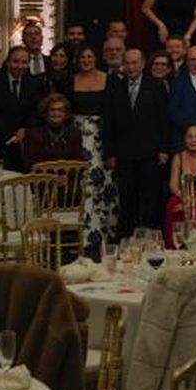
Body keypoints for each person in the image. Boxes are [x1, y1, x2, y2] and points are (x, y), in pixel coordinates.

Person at [104, 47, 171, 236]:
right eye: (128, 63)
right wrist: (109, 153)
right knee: (127, 199)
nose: (131, 67)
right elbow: (108, 121)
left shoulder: (156, 86)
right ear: (123, 65)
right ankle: (127, 241)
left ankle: (151, 240)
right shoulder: (114, 86)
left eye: (135, 63)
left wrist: (164, 150)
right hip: (124, 154)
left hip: (150, 153)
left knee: (150, 199)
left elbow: (164, 121)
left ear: (142, 64)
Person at [68, 45, 119, 250]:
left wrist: (112, 149)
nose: (86, 60)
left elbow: (115, 114)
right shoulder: (70, 80)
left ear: (96, 59)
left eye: (90, 56)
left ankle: (106, 235)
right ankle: (86, 236)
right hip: (78, 138)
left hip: (102, 138)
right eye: (83, 57)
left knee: (104, 185)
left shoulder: (109, 79)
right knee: (83, 185)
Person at [22, 93, 84, 169]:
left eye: (60, 110)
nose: (56, 113)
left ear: (66, 113)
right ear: (45, 112)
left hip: (69, 179)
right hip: (42, 179)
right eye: (52, 110)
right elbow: (30, 165)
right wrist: (51, 179)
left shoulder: (75, 134)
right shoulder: (32, 135)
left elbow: (79, 164)